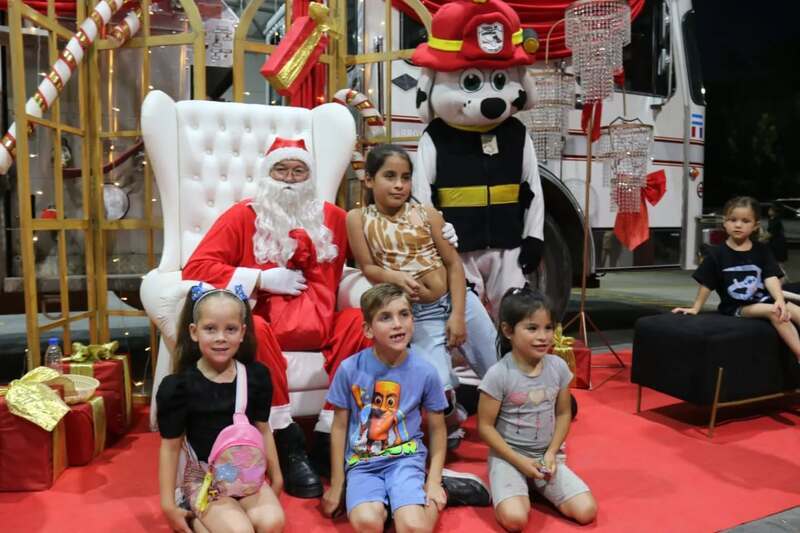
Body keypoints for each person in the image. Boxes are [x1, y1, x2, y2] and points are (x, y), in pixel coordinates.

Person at [180, 137, 371, 497]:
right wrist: (260, 279)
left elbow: (375, 246)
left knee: (360, 322)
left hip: (323, 325)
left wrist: (434, 235)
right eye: (281, 170)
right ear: (267, 175)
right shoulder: (243, 215)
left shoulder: (334, 218)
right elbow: (197, 267)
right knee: (254, 328)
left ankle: (328, 434)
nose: (289, 179)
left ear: (310, 178)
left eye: (299, 171)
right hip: (267, 326)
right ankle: (287, 440)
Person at [346, 144, 499, 449]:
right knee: (437, 382)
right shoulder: (358, 218)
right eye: (390, 176)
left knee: (496, 369)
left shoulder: (426, 213)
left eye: (405, 177)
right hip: (419, 314)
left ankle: (516, 423)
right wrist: (394, 277)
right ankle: (452, 419)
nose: (399, 185)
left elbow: (453, 264)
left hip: (457, 300)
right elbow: (368, 267)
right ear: (369, 179)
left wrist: (458, 314)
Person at [321, 283, 491, 531]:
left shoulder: (426, 372)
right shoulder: (349, 369)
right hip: (363, 464)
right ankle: (392, 502)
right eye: (385, 317)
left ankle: (438, 490)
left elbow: (438, 429)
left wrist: (434, 481)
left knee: (413, 527)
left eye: (404, 314)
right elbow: (339, 427)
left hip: (405, 460)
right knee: (367, 523)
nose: (397, 324)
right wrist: (337, 483)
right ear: (368, 329)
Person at [157, 286, 284, 533]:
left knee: (272, 522)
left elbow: (263, 429)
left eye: (231, 329)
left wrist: (276, 476)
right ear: (194, 332)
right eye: (210, 329)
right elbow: (170, 448)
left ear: (242, 332)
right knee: (240, 531)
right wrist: (168, 505)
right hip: (206, 481)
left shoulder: (256, 377)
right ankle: (194, 515)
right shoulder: (179, 387)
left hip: (247, 477)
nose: (221, 337)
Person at [477, 287, 597, 531]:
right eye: (532, 328)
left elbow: (563, 413)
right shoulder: (499, 374)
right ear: (508, 331)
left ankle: (533, 485)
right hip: (509, 457)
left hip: (546, 458)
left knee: (587, 511)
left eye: (548, 328)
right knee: (515, 520)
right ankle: (514, 482)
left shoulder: (558, 367)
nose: (543, 336)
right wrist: (520, 462)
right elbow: (485, 427)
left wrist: (551, 453)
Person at [673, 196, 800, 362]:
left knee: (793, 310)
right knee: (776, 313)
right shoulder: (716, 254)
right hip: (738, 306)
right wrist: (695, 308)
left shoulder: (762, 250)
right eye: (733, 220)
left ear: (755, 226)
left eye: (745, 221)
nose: (738, 225)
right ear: (724, 223)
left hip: (763, 298)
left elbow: (770, 277)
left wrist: (779, 299)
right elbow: (707, 283)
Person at [767, 205, 789, 279]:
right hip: (773, 243)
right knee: (774, 261)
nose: (769, 211)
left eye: (770, 210)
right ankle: (781, 278)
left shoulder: (776, 221)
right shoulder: (771, 219)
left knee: (779, 262)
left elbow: (771, 233)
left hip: (779, 243)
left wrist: (762, 239)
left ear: (775, 212)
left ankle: (784, 278)